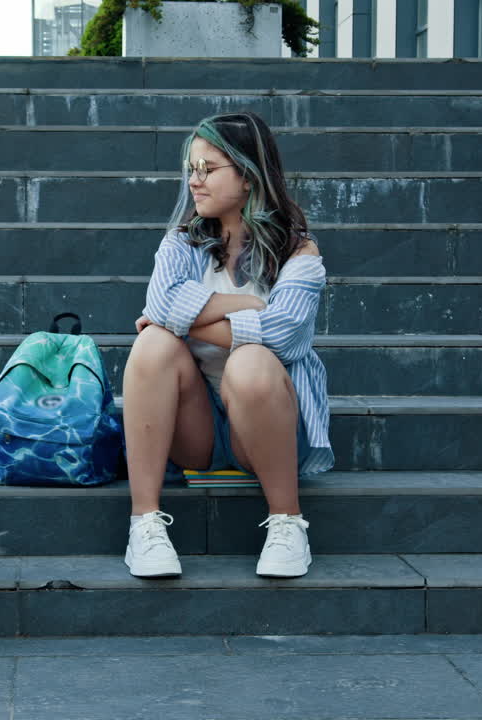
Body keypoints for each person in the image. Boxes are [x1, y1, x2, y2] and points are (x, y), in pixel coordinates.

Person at [122, 112, 333, 579]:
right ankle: (145, 524)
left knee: (251, 361)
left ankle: (287, 523)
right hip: (194, 426)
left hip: (265, 426)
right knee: (154, 345)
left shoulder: (298, 252)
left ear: (249, 174)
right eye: (191, 168)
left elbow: (282, 336)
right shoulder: (182, 242)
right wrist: (246, 303)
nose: (195, 181)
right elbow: (159, 303)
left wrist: (183, 321)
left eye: (209, 168)